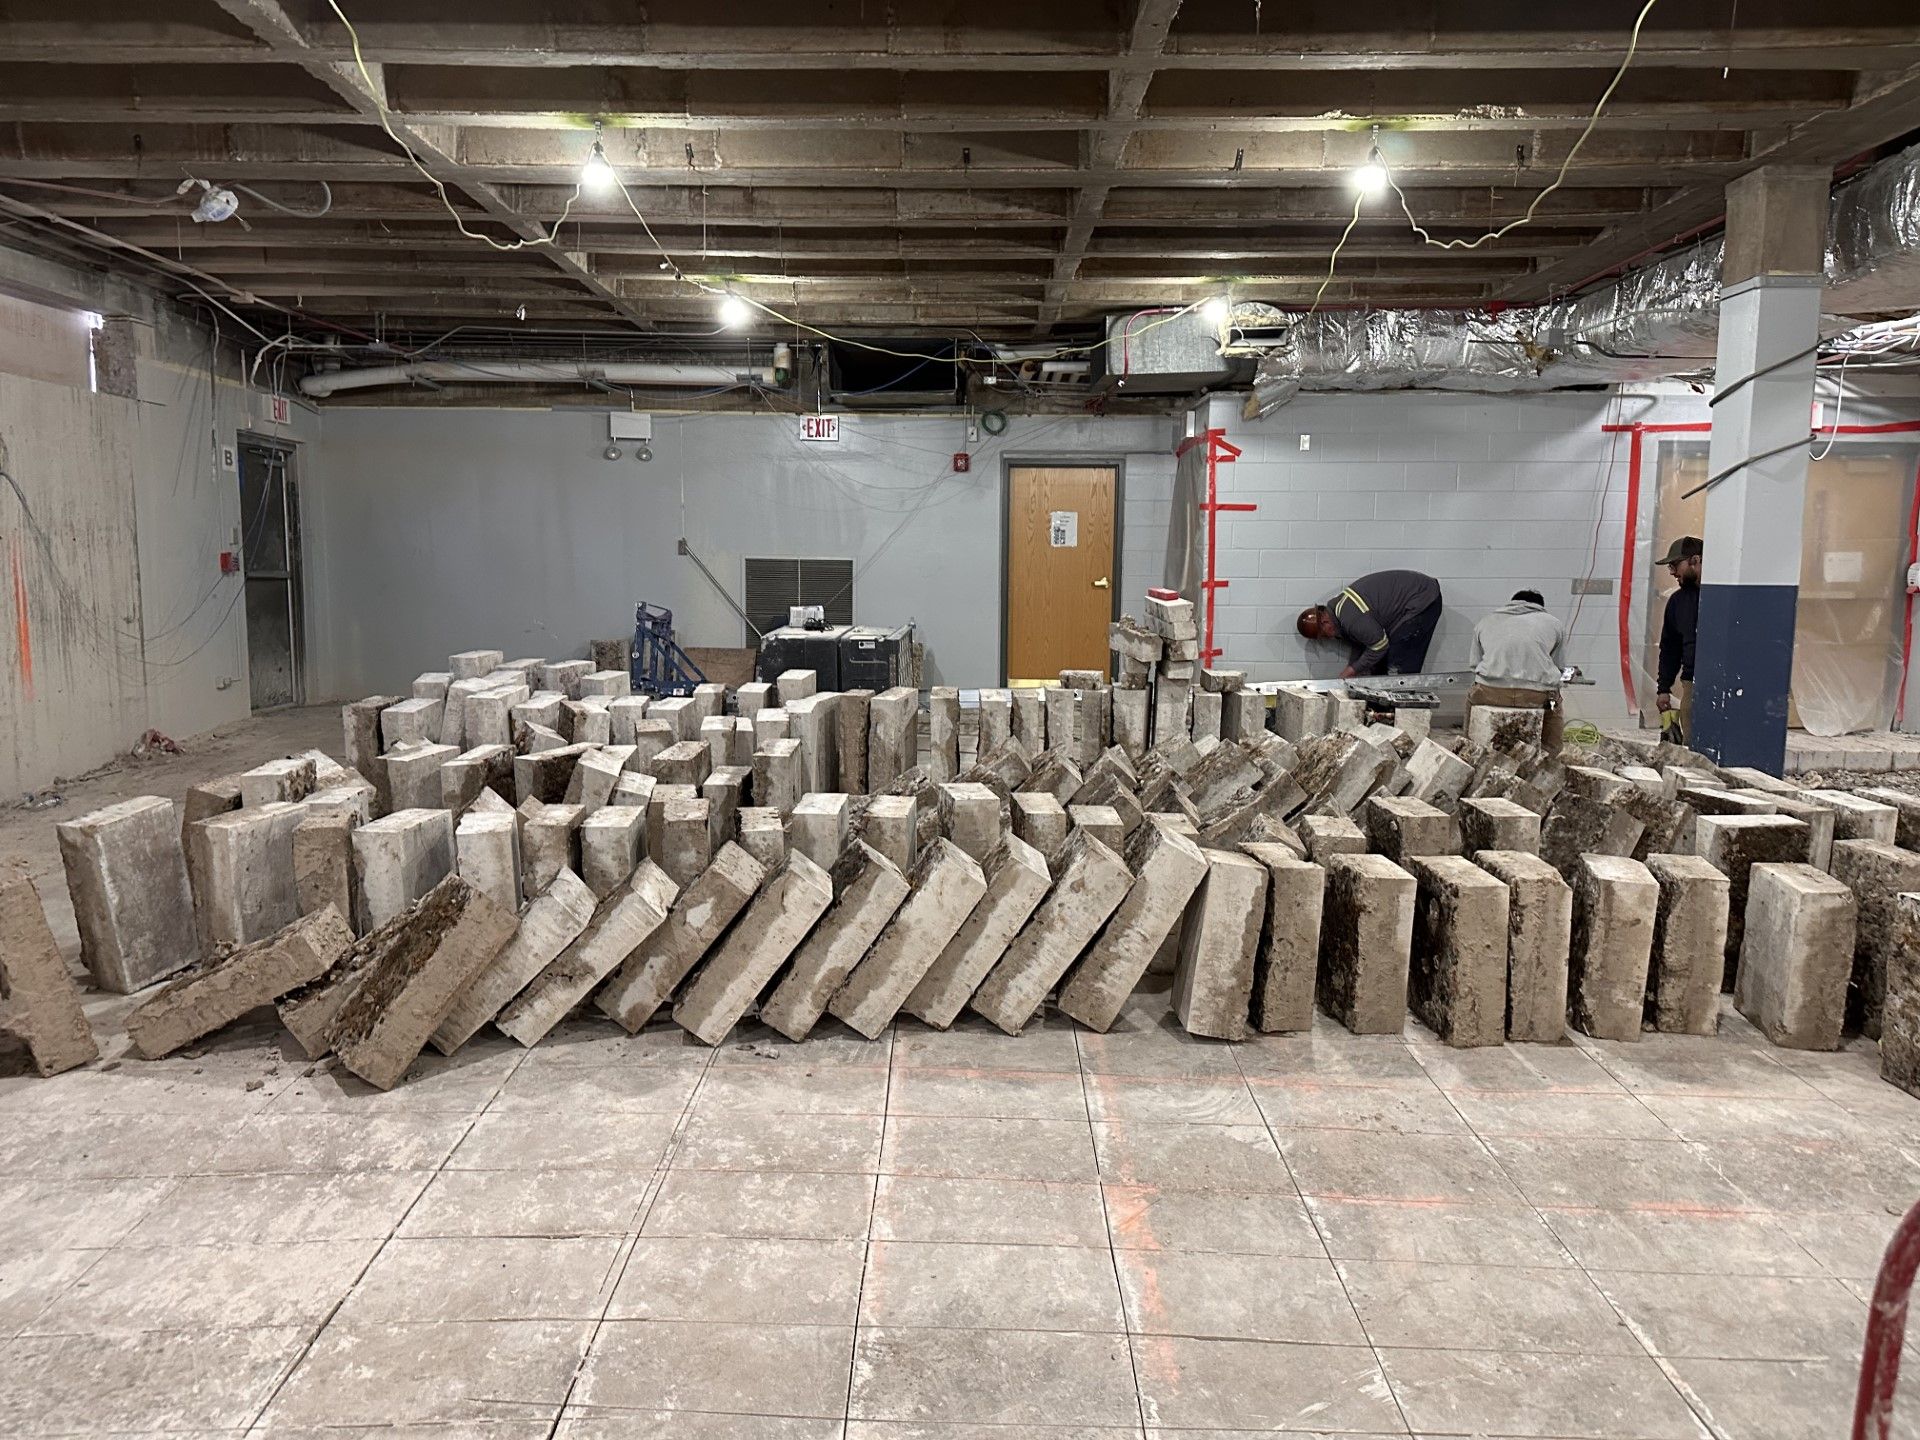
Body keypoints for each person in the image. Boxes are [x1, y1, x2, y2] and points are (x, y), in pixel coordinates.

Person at [1468, 589, 1569, 752]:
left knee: (1471, 701)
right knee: (1553, 711)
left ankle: (1470, 749)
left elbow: (1474, 665)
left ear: (1511, 603)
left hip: (1490, 692)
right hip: (1536, 695)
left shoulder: (1485, 621)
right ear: (1540, 607)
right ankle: (1549, 757)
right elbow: (1559, 667)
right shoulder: (1554, 623)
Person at [1296, 569, 1444, 678]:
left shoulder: (1349, 616)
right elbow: (1362, 643)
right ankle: (1381, 713)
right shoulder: (1341, 613)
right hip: (1414, 599)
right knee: (1379, 665)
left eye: (1323, 635)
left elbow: (1379, 645)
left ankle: (1403, 715)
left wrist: (1352, 670)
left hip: (1422, 600)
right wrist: (1352, 669)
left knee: (1397, 667)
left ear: (1325, 621)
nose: (1326, 639)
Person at [1656, 536, 1702, 743]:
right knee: (1693, 746)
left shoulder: (1723, 599)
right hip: (1691, 683)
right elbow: (1670, 648)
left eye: (1675, 565)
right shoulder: (1677, 602)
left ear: (1695, 560)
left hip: (1727, 683)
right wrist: (1664, 689)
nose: (1673, 572)